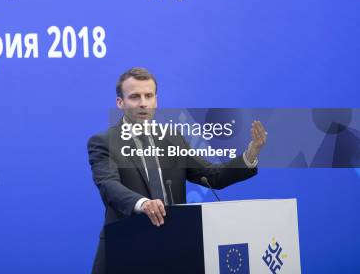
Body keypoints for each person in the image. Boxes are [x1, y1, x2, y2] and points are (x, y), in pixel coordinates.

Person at [87, 67, 267, 274]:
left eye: (149, 96)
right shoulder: (104, 142)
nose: (143, 103)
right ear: (120, 102)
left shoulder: (172, 138)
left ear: (156, 100)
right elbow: (109, 185)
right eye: (135, 97)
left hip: (171, 245)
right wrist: (143, 204)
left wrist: (250, 154)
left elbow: (212, 176)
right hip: (126, 246)